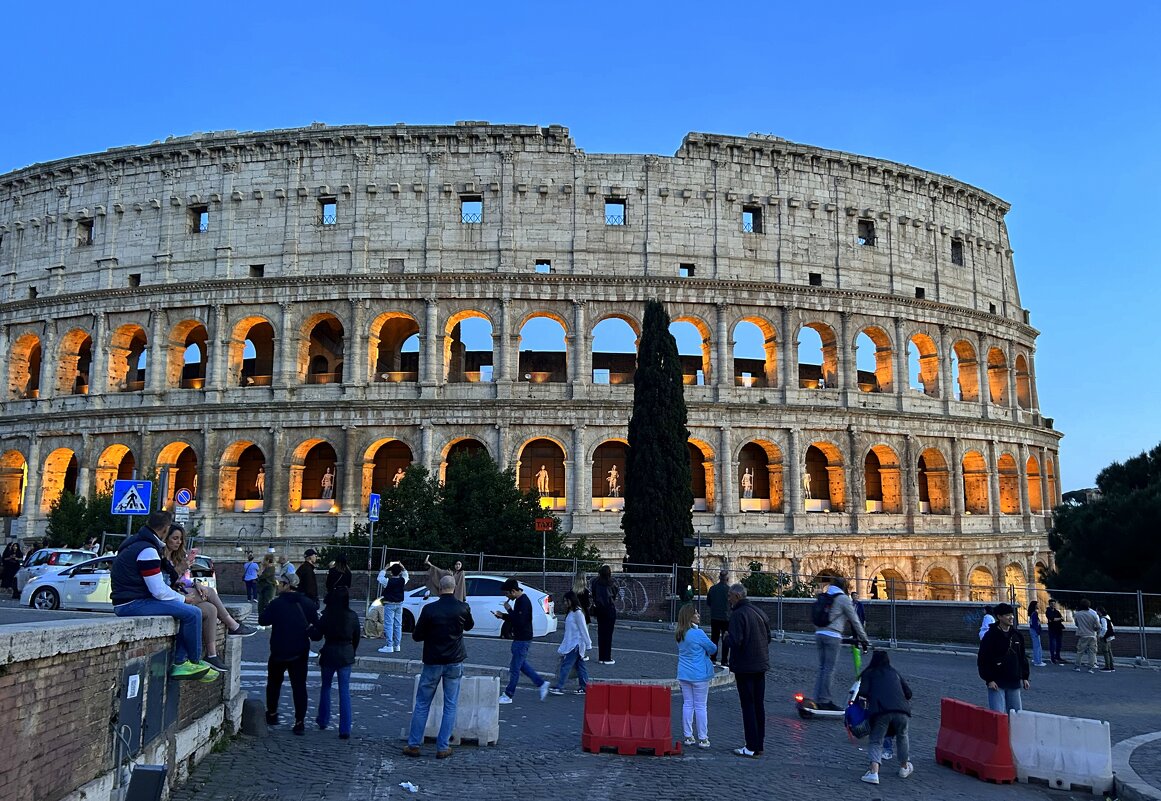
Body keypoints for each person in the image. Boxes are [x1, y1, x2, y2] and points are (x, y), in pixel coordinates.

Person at [110, 510, 217, 681]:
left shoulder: (135, 543)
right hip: (133, 602)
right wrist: (183, 599)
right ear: (166, 529)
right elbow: (158, 590)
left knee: (186, 613)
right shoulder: (148, 551)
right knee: (193, 612)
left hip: (127, 600)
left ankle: (183, 662)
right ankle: (190, 662)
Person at [161, 525, 256, 671]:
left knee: (211, 609)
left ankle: (211, 655)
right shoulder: (161, 557)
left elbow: (181, 580)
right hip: (170, 596)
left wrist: (195, 583)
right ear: (165, 538)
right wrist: (181, 569)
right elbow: (164, 582)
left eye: (180, 539)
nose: (178, 542)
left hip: (179, 592)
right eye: (175, 538)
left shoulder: (176, 557)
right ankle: (233, 625)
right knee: (210, 591)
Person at [403, 574, 474, 758]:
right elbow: (469, 626)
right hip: (454, 660)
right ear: (455, 587)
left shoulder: (429, 609)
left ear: (439, 589)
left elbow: (417, 636)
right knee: (450, 705)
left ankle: (414, 744)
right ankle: (442, 746)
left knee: (422, 704)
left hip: (433, 660)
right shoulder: (462, 608)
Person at [260, 572, 319, 735]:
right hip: (299, 651)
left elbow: (262, 620)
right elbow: (317, 629)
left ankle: (272, 714)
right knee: (299, 687)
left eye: (280, 583)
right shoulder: (308, 603)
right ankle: (299, 722)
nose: (278, 585)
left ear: (287, 585)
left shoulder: (276, 604)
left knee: (273, 684)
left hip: (278, 650)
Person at [724, 583, 770, 757]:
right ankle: (759, 744)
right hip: (760, 665)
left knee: (748, 706)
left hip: (745, 666)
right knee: (759, 706)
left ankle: (751, 745)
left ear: (736, 596)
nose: (728, 599)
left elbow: (736, 641)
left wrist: (726, 638)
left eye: (729, 596)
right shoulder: (759, 612)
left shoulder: (738, 615)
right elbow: (769, 637)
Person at [813, 575, 870, 712]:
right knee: (829, 669)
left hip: (819, 634)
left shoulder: (825, 596)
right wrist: (864, 639)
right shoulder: (843, 599)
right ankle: (825, 700)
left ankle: (818, 698)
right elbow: (855, 620)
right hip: (833, 635)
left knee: (822, 668)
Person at [856, 650, 914, 785]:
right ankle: (904, 767)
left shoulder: (869, 673)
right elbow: (909, 693)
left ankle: (874, 772)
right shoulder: (894, 672)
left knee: (876, 740)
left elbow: (862, 693)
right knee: (902, 736)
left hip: (881, 711)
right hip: (902, 711)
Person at [311, 586, 360, 739]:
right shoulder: (352, 616)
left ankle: (323, 719)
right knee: (344, 691)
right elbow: (357, 636)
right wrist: (352, 650)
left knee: (325, 687)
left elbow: (317, 636)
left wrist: (309, 629)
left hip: (329, 651)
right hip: (345, 652)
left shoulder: (327, 615)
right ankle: (345, 728)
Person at [495, 577, 549, 703]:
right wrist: (503, 616)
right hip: (521, 637)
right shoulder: (520, 601)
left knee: (514, 668)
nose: (507, 597)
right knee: (522, 665)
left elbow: (519, 621)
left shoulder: (523, 602)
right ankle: (541, 683)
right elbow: (517, 619)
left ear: (513, 591)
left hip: (522, 638)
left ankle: (508, 695)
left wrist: (507, 610)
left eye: (507, 593)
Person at [676, 603, 716, 749]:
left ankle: (688, 736)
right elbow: (712, 648)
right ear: (690, 617)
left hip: (684, 673)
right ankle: (703, 738)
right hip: (699, 674)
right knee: (700, 706)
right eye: (696, 613)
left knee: (687, 704)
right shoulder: (698, 634)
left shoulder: (680, 633)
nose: (699, 615)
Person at [977, 602, 1030, 712]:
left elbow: (1022, 657)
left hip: (1014, 680)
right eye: (1007, 615)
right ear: (999, 617)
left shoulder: (1017, 635)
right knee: (998, 715)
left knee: (1016, 715)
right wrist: (989, 679)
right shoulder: (990, 636)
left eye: (1012, 614)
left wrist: (1025, 677)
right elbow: (983, 659)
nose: (1011, 617)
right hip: (997, 681)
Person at [548, 591, 591, 695]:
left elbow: (583, 629)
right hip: (573, 643)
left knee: (566, 666)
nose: (565, 603)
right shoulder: (571, 612)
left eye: (566, 601)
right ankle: (585, 687)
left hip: (575, 644)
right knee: (580, 666)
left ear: (571, 600)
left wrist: (588, 643)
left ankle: (560, 687)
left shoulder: (578, 613)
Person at [377, 561, 409, 654]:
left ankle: (389, 645)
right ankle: (397, 645)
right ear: (400, 572)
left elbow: (379, 578)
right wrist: (403, 567)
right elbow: (406, 575)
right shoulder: (402, 580)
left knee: (389, 625)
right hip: (399, 604)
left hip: (389, 604)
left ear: (391, 572)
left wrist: (385, 568)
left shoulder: (388, 581)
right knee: (398, 625)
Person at [591, 564, 618, 664]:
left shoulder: (595, 582)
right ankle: (607, 657)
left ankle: (601, 656)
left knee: (601, 633)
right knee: (608, 634)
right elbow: (615, 594)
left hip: (599, 609)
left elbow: (593, 594)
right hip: (609, 609)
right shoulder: (612, 583)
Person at [706, 570, 731, 668]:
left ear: (719, 578)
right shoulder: (729, 590)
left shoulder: (712, 589)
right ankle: (724, 660)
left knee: (714, 638)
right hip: (726, 618)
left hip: (714, 617)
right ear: (727, 579)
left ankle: (713, 658)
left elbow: (709, 602)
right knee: (726, 639)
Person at [1074, 598, 1101, 673]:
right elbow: (1098, 626)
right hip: (1092, 635)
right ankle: (1090, 667)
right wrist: (1094, 629)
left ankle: (1077, 666)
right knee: (1092, 652)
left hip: (1082, 635)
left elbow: (1076, 624)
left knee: (1080, 652)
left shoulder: (1077, 614)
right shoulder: (1093, 615)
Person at [1046, 598, 1066, 664]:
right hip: (1052, 629)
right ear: (1049, 604)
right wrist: (1058, 619)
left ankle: (1058, 656)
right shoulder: (1048, 611)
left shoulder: (1057, 611)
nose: (1053, 605)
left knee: (1059, 644)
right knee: (1053, 644)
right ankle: (1052, 657)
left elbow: (1062, 618)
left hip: (1058, 629)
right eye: (1052, 604)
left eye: (1054, 604)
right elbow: (1051, 619)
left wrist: (1057, 619)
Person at [1028, 600, 1046, 667]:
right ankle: (1038, 661)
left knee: (1036, 646)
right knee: (1037, 646)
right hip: (1035, 630)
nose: (1038, 605)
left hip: (1033, 630)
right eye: (1037, 604)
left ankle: (1036, 659)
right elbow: (1035, 623)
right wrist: (1038, 631)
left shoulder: (1032, 613)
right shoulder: (1034, 613)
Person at [1098, 607, 1116, 673]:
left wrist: (1100, 635)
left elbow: (1104, 628)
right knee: (1109, 651)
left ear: (1100, 612)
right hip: (1110, 635)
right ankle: (1111, 666)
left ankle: (1107, 666)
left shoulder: (1103, 619)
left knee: (1105, 651)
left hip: (1105, 636)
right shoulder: (1107, 616)